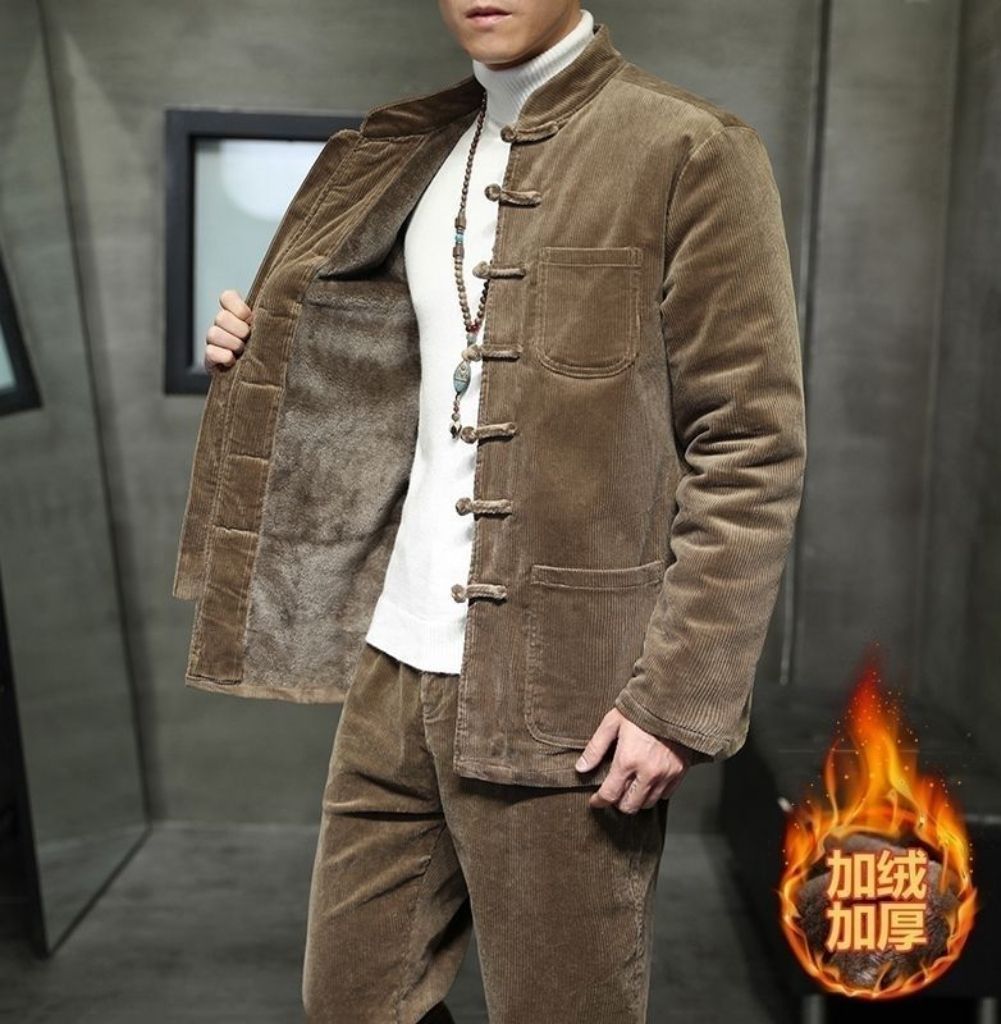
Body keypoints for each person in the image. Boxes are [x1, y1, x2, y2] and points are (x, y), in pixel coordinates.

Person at [186, 2, 807, 1021]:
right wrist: (265, 353)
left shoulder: (690, 149)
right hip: (393, 669)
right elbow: (393, 378)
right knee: (351, 1004)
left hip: (571, 693)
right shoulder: (409, 149)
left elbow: (750, 444)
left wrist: (678, 701)